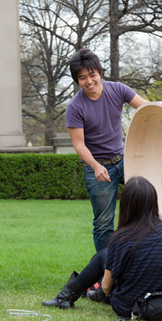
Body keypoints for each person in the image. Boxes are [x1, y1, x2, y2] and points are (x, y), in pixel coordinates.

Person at [42, 176, 162, 318]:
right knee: (111, 258)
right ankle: (85, 295)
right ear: (153, 202)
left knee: (103, 256)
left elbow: (107, 287)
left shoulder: (121, 237)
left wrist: (105, 290)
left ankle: (65, 297)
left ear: (126, 205)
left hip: (130, 306)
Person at [65, 48, 148, 251]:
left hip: (125, 160)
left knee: (150, 203)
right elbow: (79, 144)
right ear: (77, 80)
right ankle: (105, 273)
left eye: (92, 74)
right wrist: (94, 165)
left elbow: (147, 108)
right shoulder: (75, 107)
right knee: (103, 224)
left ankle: (147, 254)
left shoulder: (118, 89)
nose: (89, 81)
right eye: (82, 78)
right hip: (98, 167)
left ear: (99, 72)